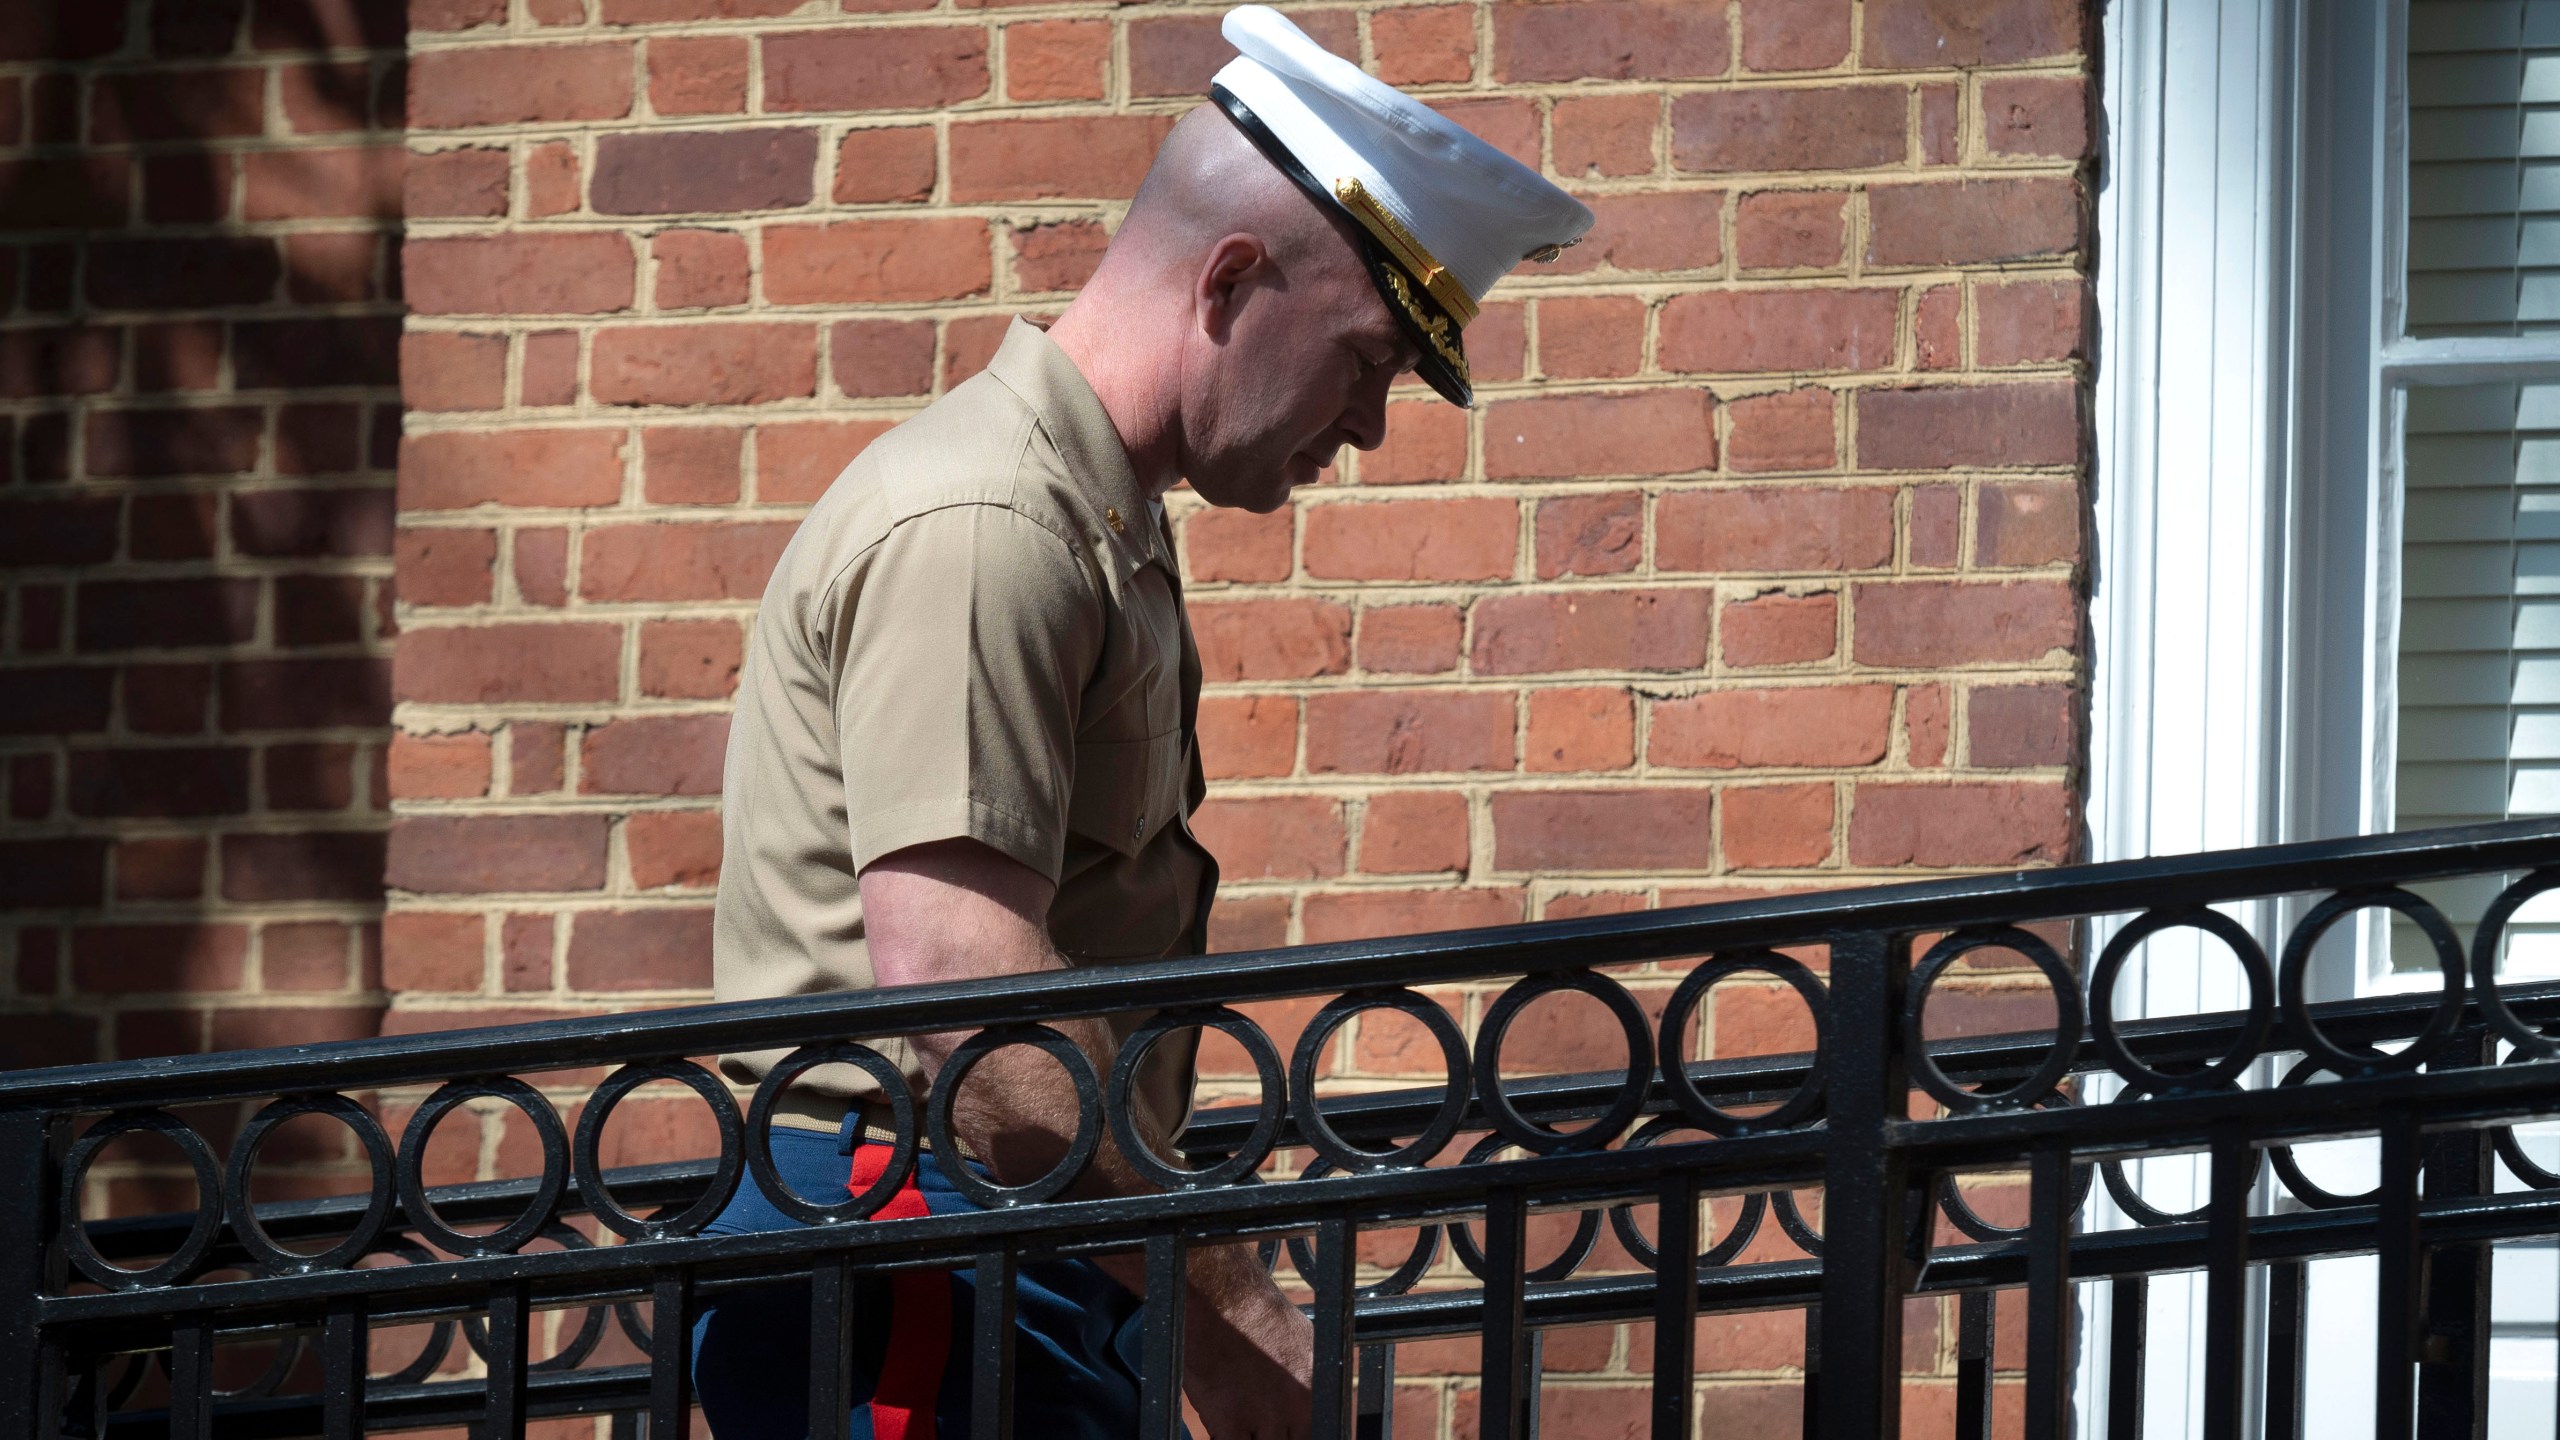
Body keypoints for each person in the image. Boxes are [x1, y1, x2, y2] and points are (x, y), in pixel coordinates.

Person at [691, 7, 1594, 1435]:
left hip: (992, 1245)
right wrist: (1232, 1320)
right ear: (1232, 281)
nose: (1368, 425)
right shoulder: (991, 523)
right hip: (909, 1262)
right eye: (1366, 360)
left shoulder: (1088, 516)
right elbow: (959, 986)